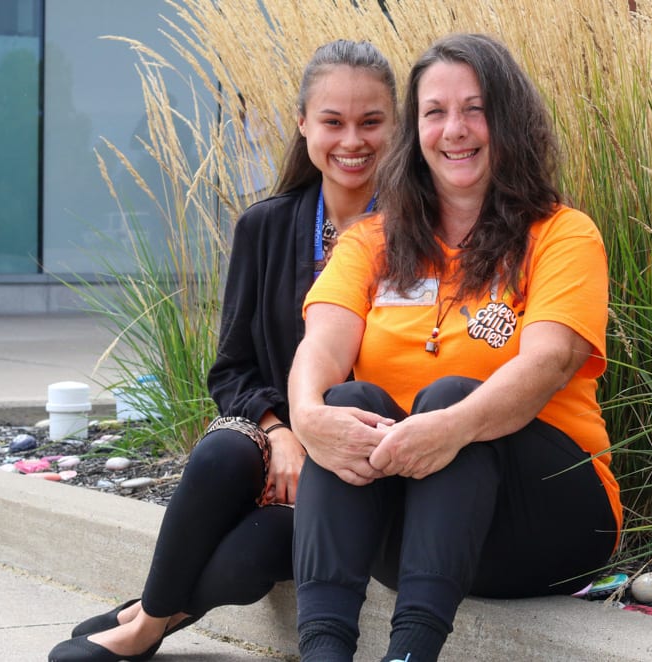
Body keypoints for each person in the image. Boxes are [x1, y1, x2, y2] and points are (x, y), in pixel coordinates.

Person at [48, 38, 396, 662]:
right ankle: (143, 628)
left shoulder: (420, 232)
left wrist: (321, 441)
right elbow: (232, 368)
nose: (353, 141)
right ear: (302, 124)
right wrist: (282, 432)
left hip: (360, 462)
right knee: (218, 454)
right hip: (273, 445)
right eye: (333, 121)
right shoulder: (264, 227)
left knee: (251, 555)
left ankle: (144, 617)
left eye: (371, 121)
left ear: (395, 125)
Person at [287, 32, 622, 662]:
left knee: (452, 401)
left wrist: (450, 427)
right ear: (416, 131)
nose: (455, 129)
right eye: (435, 112)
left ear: (509, 120)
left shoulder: (562, 235)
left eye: (475, 109)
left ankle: (410, 653)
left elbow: (547, 361)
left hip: (548, 520)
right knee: (347, 397)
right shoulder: (372, 241)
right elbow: (321, 347)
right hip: (413, 531)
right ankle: (322, 652)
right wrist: (308, 418)